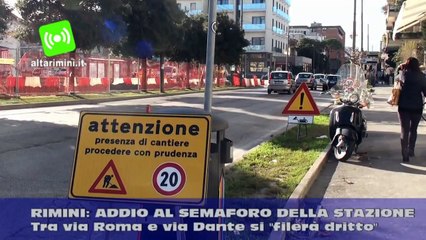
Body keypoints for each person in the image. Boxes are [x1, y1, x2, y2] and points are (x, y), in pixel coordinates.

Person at [397, 57, 426, 162]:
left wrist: (401, 67)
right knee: (413, 129)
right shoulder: (422, 76)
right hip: (417, 106)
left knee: (404, 130)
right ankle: (411, 150)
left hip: (404, 106)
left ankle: (405, 154)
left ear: (407, 65)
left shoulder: (403, 74)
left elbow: (397, 84)